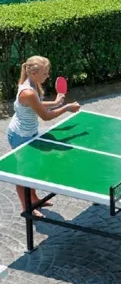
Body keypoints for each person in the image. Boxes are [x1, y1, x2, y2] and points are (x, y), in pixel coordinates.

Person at [7, 55, 81, 217]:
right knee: (23, 173)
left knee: (31, 169)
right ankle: (27, 207)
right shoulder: (28, 91)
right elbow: (45, 116)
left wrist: (55, 102)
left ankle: (34, 199)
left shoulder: (33, 85)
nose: (48, 76)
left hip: (29, 132)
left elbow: (37, 105)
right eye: (45, 73)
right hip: (20, 136)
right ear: (34, 72)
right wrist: (66, 108)